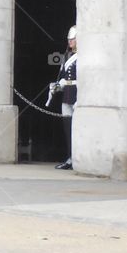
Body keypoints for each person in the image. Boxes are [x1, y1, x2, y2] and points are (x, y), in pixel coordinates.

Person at [51, 25, 78, 170]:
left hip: (75, 94)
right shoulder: (67, 56)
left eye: (72, 39)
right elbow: (63, 77)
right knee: (67, 128)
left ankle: (76, 157)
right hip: (67, 94)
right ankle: (69, 157)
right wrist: (57, 86)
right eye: (69, 39)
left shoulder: (82, 56)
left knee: (75, 128)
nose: (70, 42)